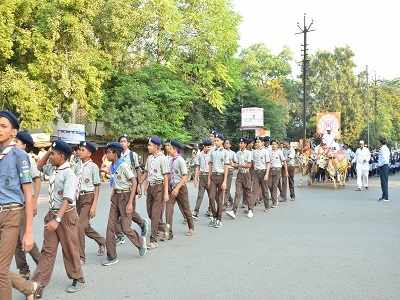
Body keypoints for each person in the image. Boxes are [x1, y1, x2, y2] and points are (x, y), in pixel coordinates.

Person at [34, 140, 85, 297]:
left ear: (62, 156)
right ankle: (37, 285)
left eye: (54, 154)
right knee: (47, 251)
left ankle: (78, 278)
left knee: (69, 248)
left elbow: (67, 199)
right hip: (52, 213)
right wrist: (50, 151)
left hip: (65, 215)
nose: (51, 157)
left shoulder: (69, 174)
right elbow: (39, 166)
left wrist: (57, 220)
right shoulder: (53, 169)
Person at [0, 111, 36, 300]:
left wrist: (28, 232)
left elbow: (28, 194)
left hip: (12, 214)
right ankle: (29, 289)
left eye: (3, 126)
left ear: (14, 132)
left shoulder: (19, 156)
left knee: (0, 271)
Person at [102, 142, 147, 266]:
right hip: (116, 196)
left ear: (115, 153)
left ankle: (140, 243)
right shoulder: (112, 166)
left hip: (126, 196)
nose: (106, 155)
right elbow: (114, 181)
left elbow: (134, 181)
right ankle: (112, 256)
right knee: (110, 227)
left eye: (108, 152)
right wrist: (113, 193)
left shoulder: (123, 165)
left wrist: (130, 203)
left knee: (126, 228)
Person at [14, 131, 41, 280]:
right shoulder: (9, 156)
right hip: (11, 205)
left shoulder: (26, 159)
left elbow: (36, 180)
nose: (14, 143)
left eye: (17, 142)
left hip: (24, 203)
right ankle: (23, 270)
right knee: (16, 240)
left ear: (24, 145)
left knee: (25, 237)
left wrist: (34, 201)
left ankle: (42, 264)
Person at [75, 141, 106, 263]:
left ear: (89, 153)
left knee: (79, 226)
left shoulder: (93, 167)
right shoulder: (77, 165)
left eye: (82, 150)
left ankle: (81, 257)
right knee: (85, 227)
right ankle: (102, 241)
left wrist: (94, 205)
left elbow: (97, 186)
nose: (80, 152)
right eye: (79, 150)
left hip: (88, 198)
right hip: (78, 198)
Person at [142, 137, 169, 249]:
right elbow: (146, 172)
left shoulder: (163, 158)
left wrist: (166, 192)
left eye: (150, 145)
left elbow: (166, 176)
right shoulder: (149, 158)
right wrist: (142, 183)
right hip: (151, 186)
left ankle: (153, 240)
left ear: (157, 147)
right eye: (148, 145)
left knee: (155, 214)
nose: (148, 147)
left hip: (159, 187)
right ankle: (164, 227)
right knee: (150, 212)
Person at [165, 140, 194, 238]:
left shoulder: (180, 160)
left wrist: (177, 188)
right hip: (171, 188)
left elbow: (185, 177)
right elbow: (168, 174)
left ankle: (191, 227)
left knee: (186, 208)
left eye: (170, 147)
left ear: (174, 149)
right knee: (168, 210)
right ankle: (169, 232)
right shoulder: (169, 159)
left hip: (180, 188)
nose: (168, 148)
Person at [226, 137, 253, 219]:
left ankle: (250, 210)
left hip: (247, 175)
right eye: (240, 143)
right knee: (237, 193)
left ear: (245, 144)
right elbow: (236, 165)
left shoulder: (249, 153)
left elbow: (249, 165)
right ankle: (234, 211)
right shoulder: (237, 153)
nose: (240, 144)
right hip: (239, 175)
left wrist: (237, 165)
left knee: (248, 193)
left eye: (242, 143)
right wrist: (231, 166)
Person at [208, 133, 229, 228]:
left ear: (222, 141)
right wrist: (209, 178)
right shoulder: (212, 152)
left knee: (220, 199)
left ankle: (219, 219)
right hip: (213, 176)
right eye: (215, 140)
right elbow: (210, 165)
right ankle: (214, 215)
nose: (215, 142)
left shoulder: (225, 152)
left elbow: (226, 167)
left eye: (217, 140)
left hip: (221, 177)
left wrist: (225, 181)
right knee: (211, 197)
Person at [192, 139, 212, 219]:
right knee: (200, 195)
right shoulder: (199, 155)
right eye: (207, 147)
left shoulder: (212, 154)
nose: (208, 148)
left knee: (211, 195)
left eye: (209, 147)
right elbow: (197, 167)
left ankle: (210, 210)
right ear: (204, 146)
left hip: (209, 176)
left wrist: (211, 178)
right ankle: (196, 211)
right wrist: (196, 178)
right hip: (202, 176)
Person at [251, 137, 271, 212]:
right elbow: (253, 163)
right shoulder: (254, 152)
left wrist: (266, 174)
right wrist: (254, 172)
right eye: (256, 142)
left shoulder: (265, 151)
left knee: (265, 190)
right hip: (256, 172)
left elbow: (268, 163)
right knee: (254, 190)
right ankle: (251, 208)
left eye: (259, 142)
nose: (257, 143)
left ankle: (267, 207)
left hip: (263, 172)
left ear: (262, 143)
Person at [268, 140, 288, 208]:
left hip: (277, 170)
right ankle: (274, 197)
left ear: (277, 145)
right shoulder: (269, 152)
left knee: (274, 186)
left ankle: (274, 202)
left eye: (275, 144)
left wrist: (286, 171)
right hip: (271, 170)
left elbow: (284, 162)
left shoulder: (280, 152)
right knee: (269, 185)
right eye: (272, 144)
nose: (273, 145)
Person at [223, 139, 236, 208]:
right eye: (225, 143)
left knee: (227, 188)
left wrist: (233, 165)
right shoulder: (221, 151)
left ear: (230, 145)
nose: (226, 144)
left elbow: (236, 163)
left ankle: (224, 204)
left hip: (230, 172)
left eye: (227, 143)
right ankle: (230, 200)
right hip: (222, 171)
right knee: (223, 188)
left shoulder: (233, 153)